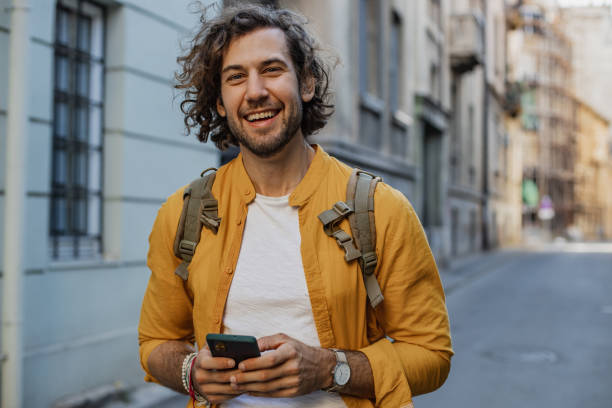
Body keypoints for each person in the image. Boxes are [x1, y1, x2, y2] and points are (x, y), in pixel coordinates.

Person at [138, 4, 453, 407]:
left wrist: (330, 369)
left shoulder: (380, 209)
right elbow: (155, 342)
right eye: (236, 77)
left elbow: (432, 355)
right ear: (219, 102)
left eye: (271, 70)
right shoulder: (184, 213)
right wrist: (190, 372)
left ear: (305, 83)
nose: (255, 92)